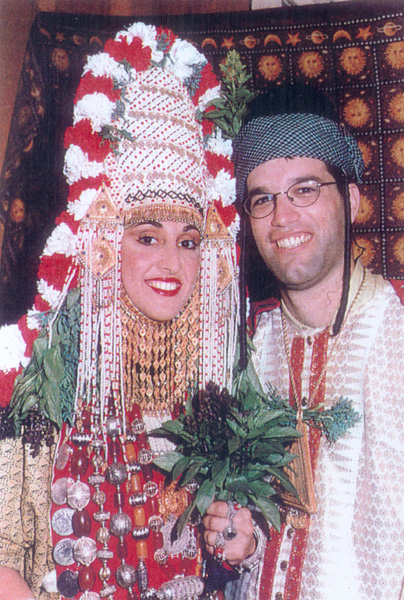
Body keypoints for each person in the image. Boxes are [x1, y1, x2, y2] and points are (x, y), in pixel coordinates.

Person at [0, 23, 239, 600]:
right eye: (147, 236)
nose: (172, 263)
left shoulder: (221, 385)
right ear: (104, 241)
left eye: (189, 241)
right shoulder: (38, 379)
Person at [203, 86, 404, 599]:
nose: (282, 218)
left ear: (351, 199)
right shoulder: (249, 342)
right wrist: (244, 544)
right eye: (262, 199)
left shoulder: (395, 325)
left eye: (305, 190)